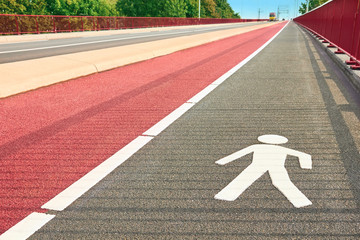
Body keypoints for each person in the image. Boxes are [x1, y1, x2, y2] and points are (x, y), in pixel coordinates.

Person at [215, 134, 312, 208]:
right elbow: (305, 155)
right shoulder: (282, 149)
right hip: (276, 166)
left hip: (258, 165)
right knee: (282, 182)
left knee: (244, 179)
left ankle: (226, 195)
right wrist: (305, 166)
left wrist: (223, 161)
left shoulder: (256, 146)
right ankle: (301, 202)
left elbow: (240, 153)